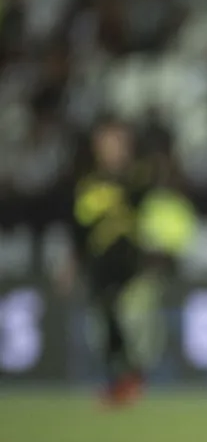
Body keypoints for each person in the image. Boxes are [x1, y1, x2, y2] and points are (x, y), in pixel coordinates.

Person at [67, 118, 148, 407]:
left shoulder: (138, 179)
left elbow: (151, 217)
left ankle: (132, 381)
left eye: (115, 142)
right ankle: (119, 382)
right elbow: (78, 230)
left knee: (129, 323)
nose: (109, 149)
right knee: (104, 326)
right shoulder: (88, 185)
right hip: (99, 266)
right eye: (104, 143)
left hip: (131, 265)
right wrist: (72, 263)